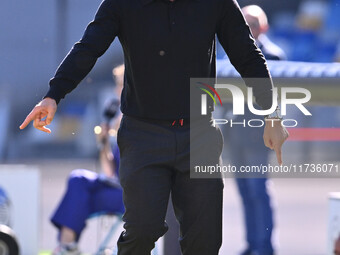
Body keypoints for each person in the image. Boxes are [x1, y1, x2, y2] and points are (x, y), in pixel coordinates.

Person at [19, 0, 289, 254]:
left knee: (205, 241)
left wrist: (272, 114)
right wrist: (53, 95)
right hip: (142, 134)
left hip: (200, 134)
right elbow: (88, 48)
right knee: (142, 230)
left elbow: (248, 56)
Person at [224, 5, 286, 255]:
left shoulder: (274, 57)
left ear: (264, 27)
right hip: (235, 134)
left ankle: (265, 246)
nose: (248, 29)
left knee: (258, 190)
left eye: (253, 23)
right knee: (245, 193)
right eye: (245, 23)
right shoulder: (230, 53)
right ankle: (253, 245)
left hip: (259, 136)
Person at [51, 65, 125, 255]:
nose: (118, 90)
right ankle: (68, 245)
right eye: (117, 85)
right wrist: (104, 144)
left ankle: (67, 246)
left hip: (132, 194)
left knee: (79, 189)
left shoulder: (135, 117)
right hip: (116, 186)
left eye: (122, 85)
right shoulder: (119, 117)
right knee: (78, 182)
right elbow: (110, 172)